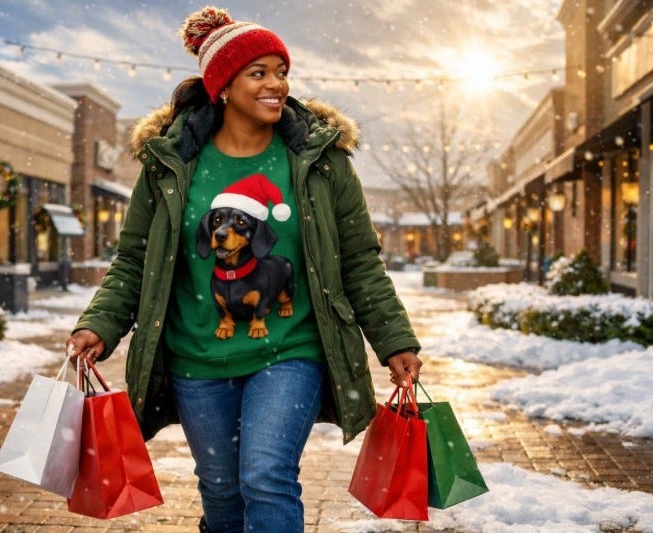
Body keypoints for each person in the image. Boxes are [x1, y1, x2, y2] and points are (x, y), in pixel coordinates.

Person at [66, 6, 422, 532]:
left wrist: (395, 341)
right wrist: (99, 323)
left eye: (281, 71)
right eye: (259, 73)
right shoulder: (170, 164)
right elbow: (135, 260)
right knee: (222, 491)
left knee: (266, 476)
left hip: (291, 351)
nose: (276, 84)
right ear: (223, 88)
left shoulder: (322, 161)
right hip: (196, 358)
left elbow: (359, 261)